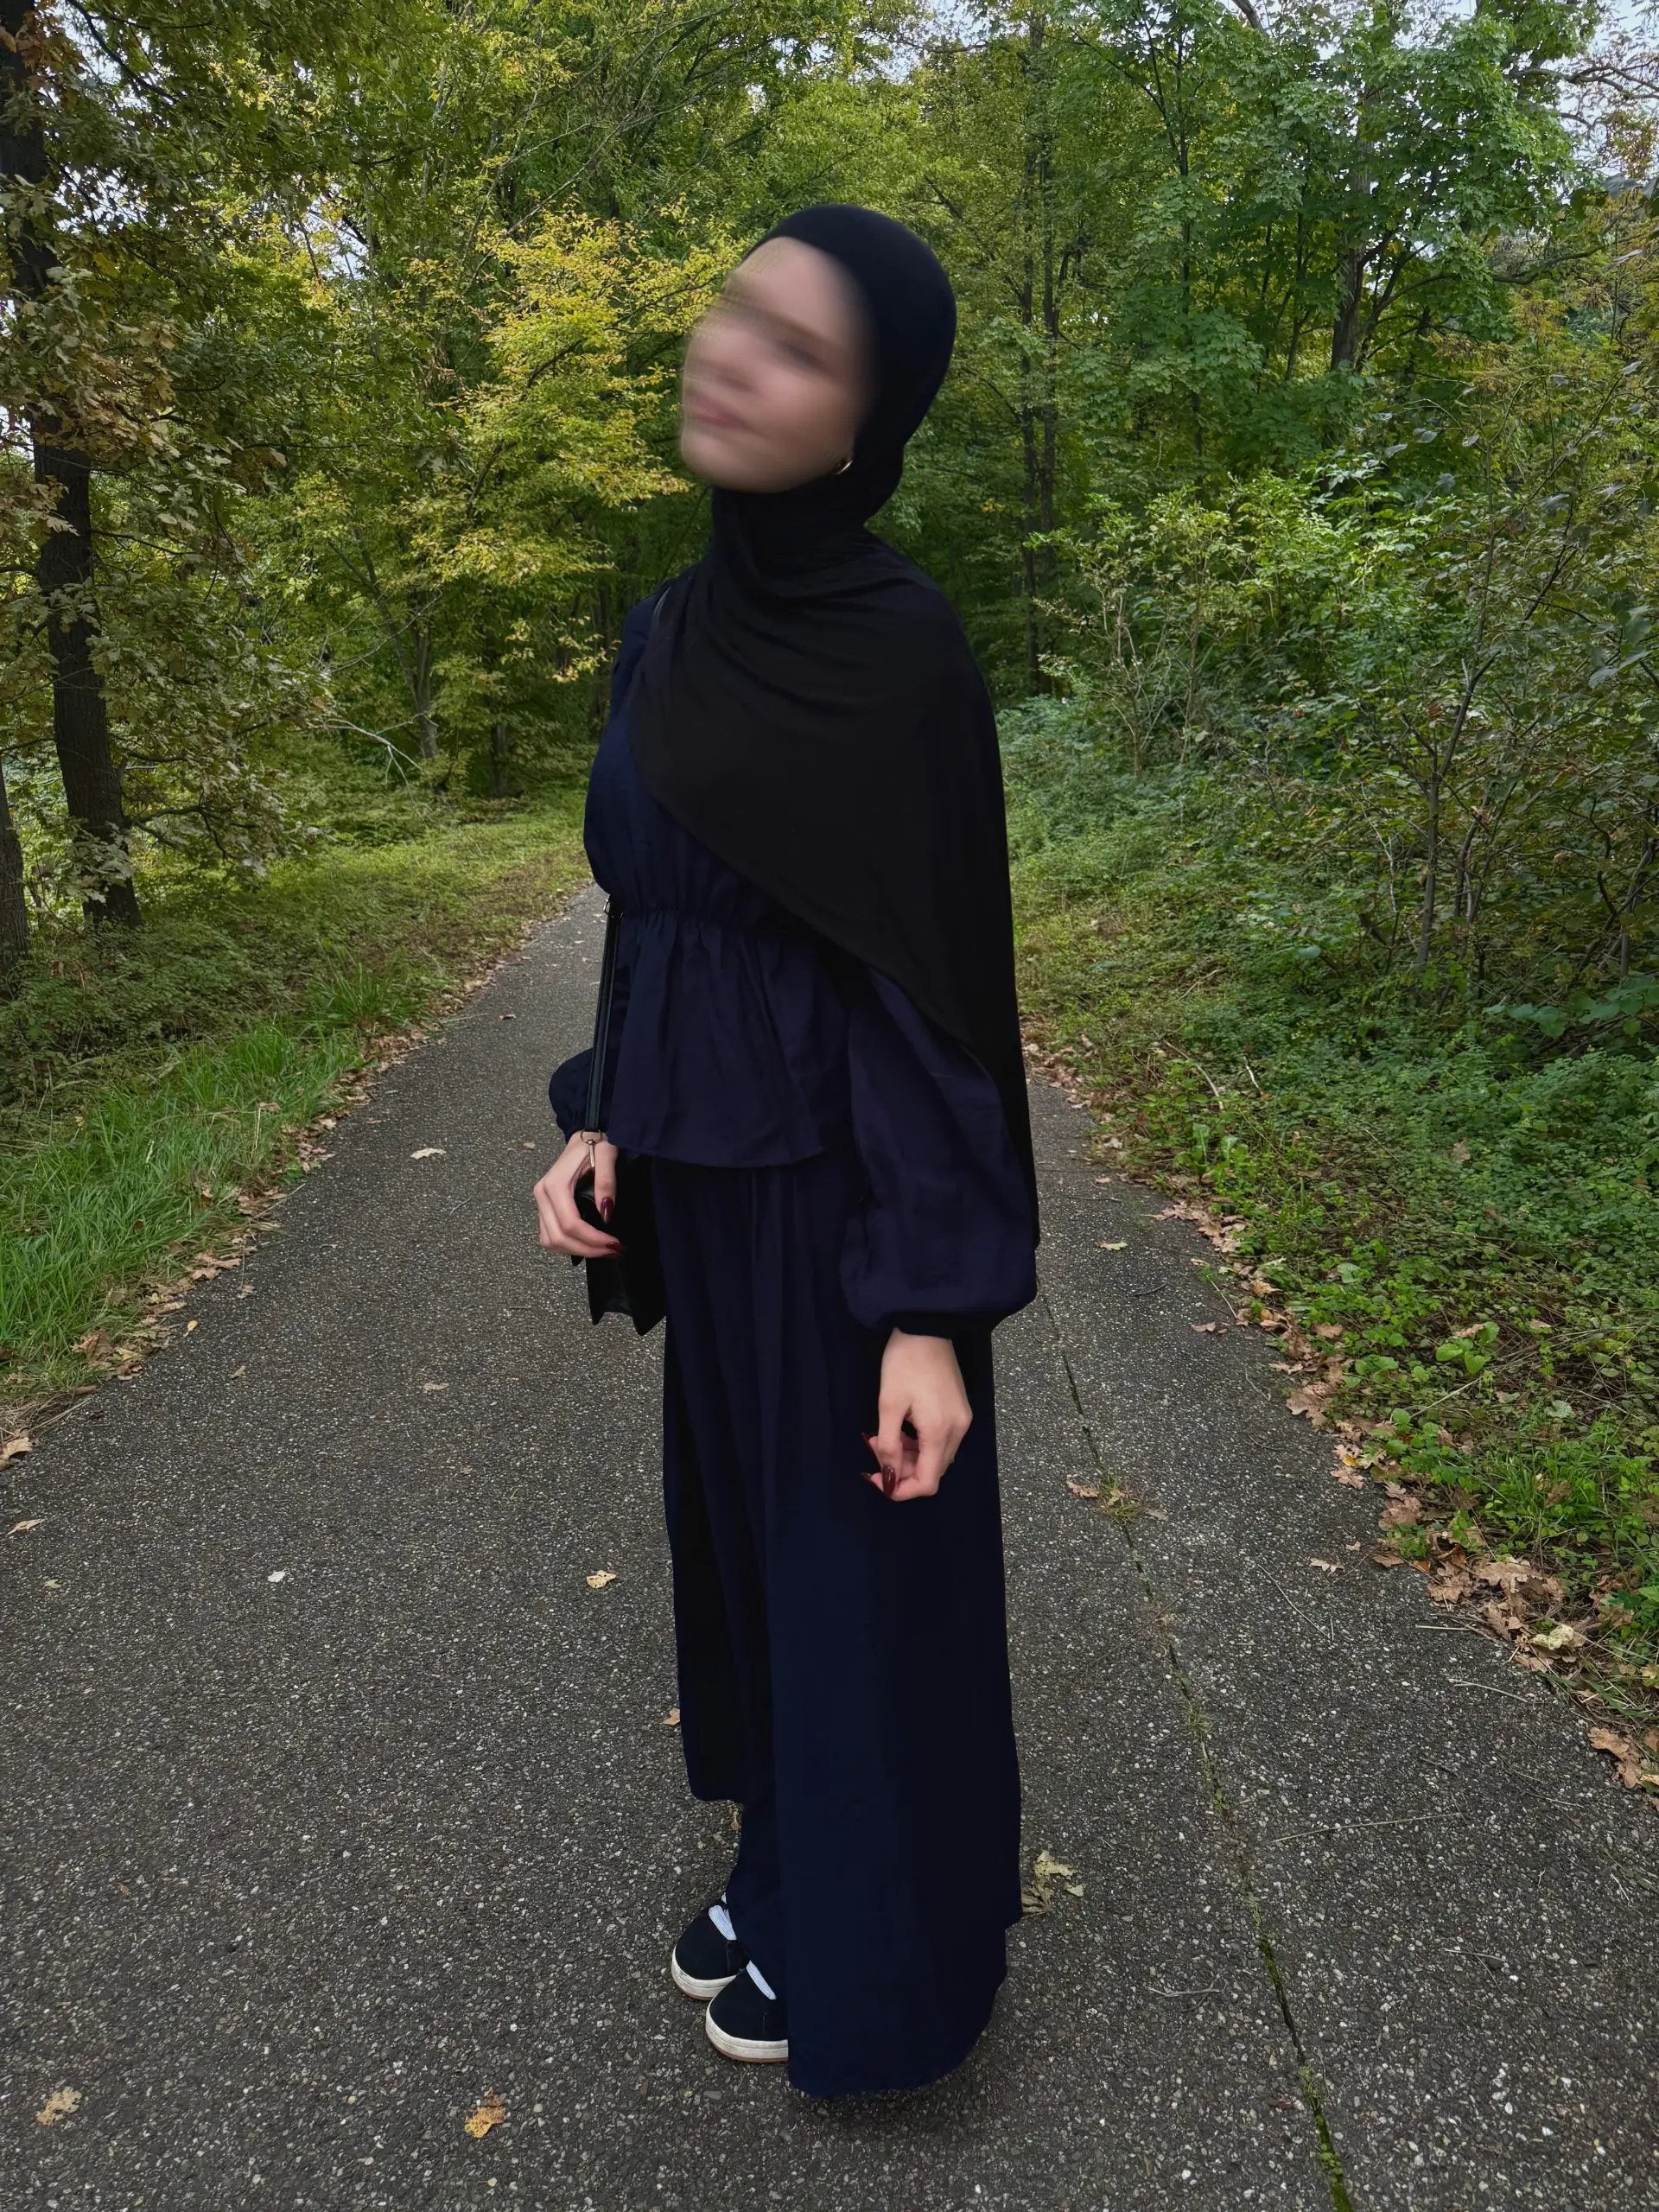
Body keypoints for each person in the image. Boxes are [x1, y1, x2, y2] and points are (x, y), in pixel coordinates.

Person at [532, 203, 1041, 2100]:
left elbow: (933, 992)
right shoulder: (671, 629)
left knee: (863, 1591)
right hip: (706, 1180)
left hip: (844, 1211)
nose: (736, 355)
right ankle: (782, 1862)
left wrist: (929, 1309)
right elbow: (657, 912)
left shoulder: (897, 652)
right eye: (738, 310)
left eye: (802, 348)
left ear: (864, 423)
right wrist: (603, 1114)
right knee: (749, 1566)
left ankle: (884, 1964)